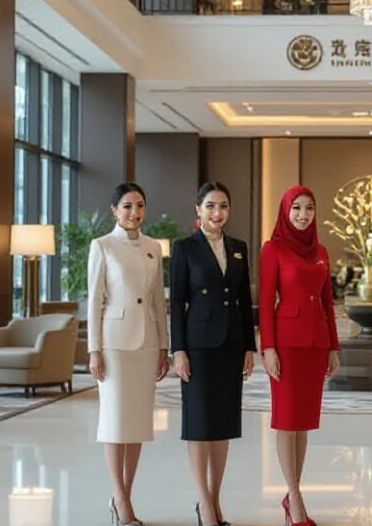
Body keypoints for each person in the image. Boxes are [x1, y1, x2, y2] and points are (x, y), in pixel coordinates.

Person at [169, 182, 256, 526]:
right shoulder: (184, 248)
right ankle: (204, 505)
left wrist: (249, 346)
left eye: (222, 206)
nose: (217, 212)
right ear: (198, 210)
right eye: (210, 206)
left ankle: (215, 501)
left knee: (222, 425)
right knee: (198, 425)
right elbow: (176, 303)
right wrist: (179, 350)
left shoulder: (238, 247)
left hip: (230, 345)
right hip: (198, 345)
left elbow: (243, 303)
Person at [87, 182, 170, 526]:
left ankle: (124, 495)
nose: (134, 212)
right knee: (114, 423)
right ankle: (120, 500)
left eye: (139, 205)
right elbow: (94, 300)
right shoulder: (102, 246)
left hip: (147, 343)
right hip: (115, 344)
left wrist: (164, 345)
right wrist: (94, 350)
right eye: (127, 206)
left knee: (136, 426)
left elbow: (157, 301)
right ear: (114, 210)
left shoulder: (153, 247)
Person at [259, 186, 341, 526]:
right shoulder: (273, 249)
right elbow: (265, 302)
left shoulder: (320, 250)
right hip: (287, 345)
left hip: (316, 344)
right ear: (285, 212)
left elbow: (327, 302)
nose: (303, 215)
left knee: (303, 423)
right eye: (296, 209)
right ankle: (294, 497)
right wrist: (268, 348)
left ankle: (294, 491)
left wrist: (334, 346)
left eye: (309, 208)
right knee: (286, 421)